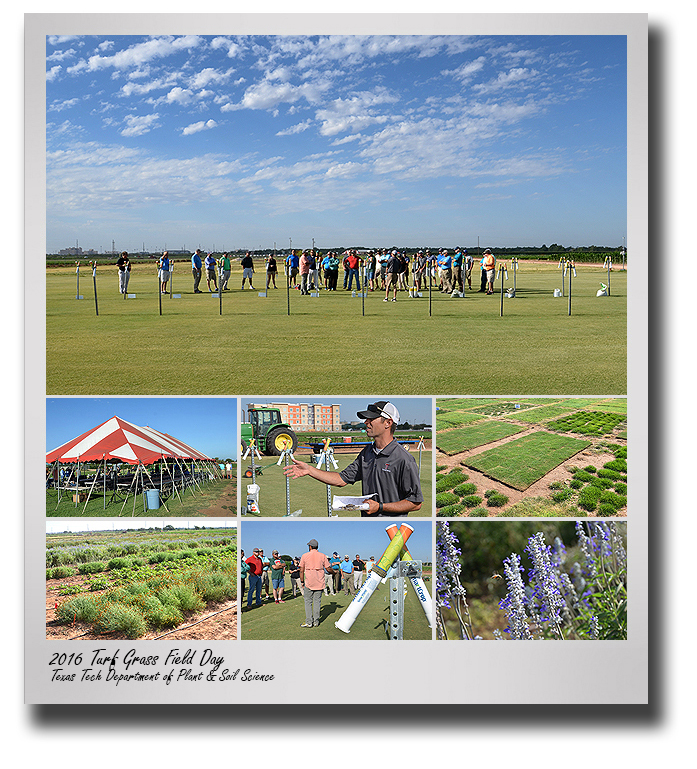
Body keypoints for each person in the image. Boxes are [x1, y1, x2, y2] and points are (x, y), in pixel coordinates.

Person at [284, 400, 423, 516]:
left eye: (371, 419)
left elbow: (415, 503)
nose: (366, 422)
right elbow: (341, 479)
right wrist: (309, 470)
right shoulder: (367, 453)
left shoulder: (404, 459)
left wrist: (380, 507)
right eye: (366, 419)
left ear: (388, 423)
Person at [298, 538, 336, 628]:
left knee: (308, 602)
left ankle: (309, 621)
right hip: (319, 582)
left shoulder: (305, 555)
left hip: (309, 582)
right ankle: (316, 621)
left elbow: (301, 570)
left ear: (310, 546)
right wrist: (334, 572)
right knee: (317, 602)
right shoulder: (322, 556)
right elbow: (328, 568)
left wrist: (302, 581)